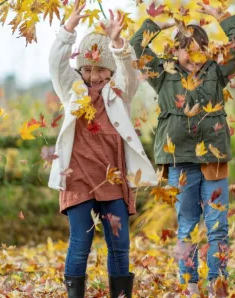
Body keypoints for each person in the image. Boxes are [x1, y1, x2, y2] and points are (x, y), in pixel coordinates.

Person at [130, 2, 235, 297]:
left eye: (200, 48)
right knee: (187, 226)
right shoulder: (163, 74)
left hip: (214, 160)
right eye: (188, 48)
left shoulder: (217, 72)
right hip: (180, 161)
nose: (194, 54)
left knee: (217, 226)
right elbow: (137, 45)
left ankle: (217, 284)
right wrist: (165, 24)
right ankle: (190, 283)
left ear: (209, 51)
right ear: (176, 51)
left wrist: (220, 16)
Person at [48, 1, 157, 297]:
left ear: (109, 70)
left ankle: (120, 294)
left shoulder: (119, 93)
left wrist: (119, 43)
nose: (93, 76)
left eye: (99, 69)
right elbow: (56, 63)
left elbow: (130, 72)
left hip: (113, 181)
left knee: (120, 245)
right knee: (80, 244)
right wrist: (68, 30)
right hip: (79, 179)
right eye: (87, 68)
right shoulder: (72, 90)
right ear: (79, 69)